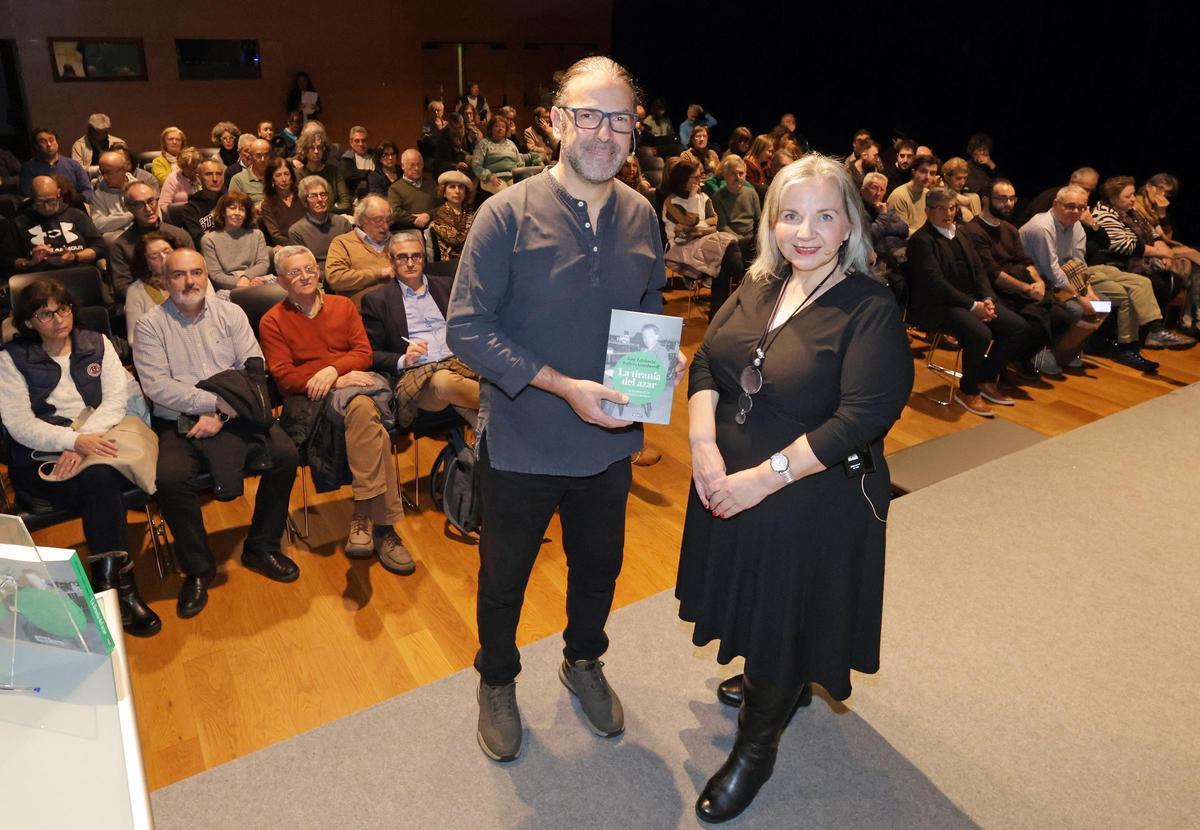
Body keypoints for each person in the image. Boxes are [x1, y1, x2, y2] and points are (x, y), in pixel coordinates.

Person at [447, 56, 680, 764]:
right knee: (505, 576)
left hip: (609, 442)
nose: (604, 132)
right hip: (522, 440)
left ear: (634, 133)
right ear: (555, 123)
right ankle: (496, 678)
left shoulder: (642, 215)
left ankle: (583, 661)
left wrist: (654, 365)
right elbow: (466, 327)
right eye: (588, 114)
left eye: (620, 119)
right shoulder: (504, 214)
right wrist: (560, 384)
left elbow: (647, 304)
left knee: (599, 568)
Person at [676, 154, 913, 823]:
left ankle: (757, 744)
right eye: (790, 215)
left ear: (848, 227)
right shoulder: (759, 282)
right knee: (761, 604)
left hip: (811, 495)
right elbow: (706, 361)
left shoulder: (869, 306)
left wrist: (761, 479)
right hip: (730, 478)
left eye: (824, 216)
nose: (804, 232)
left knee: (785, 605)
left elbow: (862, 419)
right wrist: (701, 443)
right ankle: (774, 674)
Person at [133, 248, 300, 618]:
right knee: (172, 479)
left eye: (196, 273)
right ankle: (198, 568)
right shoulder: (150, 325)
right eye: (179, 275)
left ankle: (261, 546)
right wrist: (211, 404)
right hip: (180, 420)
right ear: (165, 281)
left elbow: (254, 369)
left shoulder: (231, 313)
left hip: (236, 412)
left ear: (207, 275)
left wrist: (224, 412)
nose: (189, 281)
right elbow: (158, 387)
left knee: (285, 455)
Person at [0, 279, 161, 637]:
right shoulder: (11, 359)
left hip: (99, 444)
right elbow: (18, 424)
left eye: (63, 308)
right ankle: (121, 589)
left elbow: (116, 402)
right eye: (45, 313)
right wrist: (71, 441)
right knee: (101, 481)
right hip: (43, 460)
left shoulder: (97, 342)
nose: (58, 319)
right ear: (28, 321)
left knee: (99, 477)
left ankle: (106, 589)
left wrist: (81, 444)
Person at [258, 245, 413, 573]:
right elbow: (284, 377)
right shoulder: (272, 321)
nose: (305, 276)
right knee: (369, 419)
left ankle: (363, 517)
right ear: (281, 281)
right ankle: (382, 528)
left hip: (352, 385)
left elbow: (364, 352)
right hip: (311, 400)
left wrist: (330, 371)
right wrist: (333, 377)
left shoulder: (343, 305)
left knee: (361, 408)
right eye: (295, 272)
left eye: (310, 269)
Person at [908, 187, 1034, 417]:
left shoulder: (962, 233)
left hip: (971, 301)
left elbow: (978, 270)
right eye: (941, 209)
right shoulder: (921, 241)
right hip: (938, 306)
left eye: (952, 208)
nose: (948, 213)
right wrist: (973, 307)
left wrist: (987, 299)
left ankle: (985, 378)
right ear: (927, 211)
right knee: (980, 333)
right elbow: (936, 284)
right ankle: (968, 390)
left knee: (1018, 327)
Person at [1017, 185, 1154, 371]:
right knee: (1074, 309)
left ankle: (1066, 351)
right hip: (1037, 282)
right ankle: (1040, 351)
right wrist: (1079, 298)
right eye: (1070, 206)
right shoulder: (1042, 227)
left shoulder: (1076, 226)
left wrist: (1088, 291)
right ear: (1056, 204)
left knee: (1103, 304)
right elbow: (1051, 271)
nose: (1076, 212)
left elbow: (1079, 263)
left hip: (1062, 282)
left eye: (1081, 208)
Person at [362, 231, 480, 429]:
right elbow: (372, 354)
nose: (410, 263)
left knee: (478, 411)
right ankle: (512, 403)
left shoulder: (446, 285)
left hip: (461, 362)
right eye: (402, 257)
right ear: (391, 260)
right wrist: (403, 359)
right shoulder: (377, 301)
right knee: (443, 382)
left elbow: (470, 323)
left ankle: (482, 444)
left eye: (416, 256)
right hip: (420, 376)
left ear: (423, 258)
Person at [960, 180, 1077, 376]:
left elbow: (1024, 261)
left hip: (1018, 287)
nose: (1009, 204)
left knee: (1061, 316)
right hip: (991, 291)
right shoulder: (974, 231)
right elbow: (993, 273)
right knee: (1026, 324)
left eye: (1012, 199)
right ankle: (991, 371)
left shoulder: (1009, 229)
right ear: (986, 200)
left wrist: (1038, 283)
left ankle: (1016, 359)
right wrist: (1027, 289)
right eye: (1002, 199)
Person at [663, 158, 743, 319]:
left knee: (723, 260)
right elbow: (689, 221)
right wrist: (693, 201)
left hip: (702, 241)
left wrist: (698, 229)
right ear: (684, 179)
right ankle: (721, 308)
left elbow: (714, 222)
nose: (700, 181)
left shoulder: (704, 197)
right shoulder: (671, 202)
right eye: (696, 177)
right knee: (726, 257)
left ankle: (716, 314)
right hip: (681, 248)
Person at [108, 181, 195, 301]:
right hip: (145, 303)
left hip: (186, 296)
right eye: (139, 204)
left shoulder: (180, 235)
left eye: (151, 201)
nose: (148, 209)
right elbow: (122, 288)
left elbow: (195, 270)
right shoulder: (120, 246)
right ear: (128, 208)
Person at [125, 231, 214, 344]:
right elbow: (134, 339)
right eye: (155, 256)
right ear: (147, 264)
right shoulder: (135, 291)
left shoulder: (198, 278)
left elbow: (213, 316)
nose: (163, 258)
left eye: (167, 252)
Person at [3, 176, 103, 275]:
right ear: (32, 198)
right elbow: (7, 260)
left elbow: (100, 247)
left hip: (78, 273)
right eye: (40, 202)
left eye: (51, 201)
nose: (46, 207)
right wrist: (29, 262)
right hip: (39, 277)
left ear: (58, 194)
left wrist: (75, 257)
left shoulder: (77, 216)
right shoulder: (19, 223)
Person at [325, 194, 392, 302]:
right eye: (378, 220)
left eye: (388, 220)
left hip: (400, 309)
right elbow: (336, 278)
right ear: (361, 220)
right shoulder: (342, 243)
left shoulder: (397, 242)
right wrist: (379, 273)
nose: (385, 226)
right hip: (362, 314)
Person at [200, 190, 271, 290]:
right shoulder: (208, 239)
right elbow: (215, 274)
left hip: (256, 281)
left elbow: (263, 264)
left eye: (242, 210)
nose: (237, 213)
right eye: (232, 208)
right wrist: (240, 282)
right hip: (229, 288)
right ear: (223, 212)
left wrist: (247, 277)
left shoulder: (257, 234)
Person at [287, 176, 352, 282]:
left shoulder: (342, 223)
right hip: (319, 279)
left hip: (347, 273)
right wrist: (330, 276)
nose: (320, 200)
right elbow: (304, 266)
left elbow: (352, 254)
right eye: (313, 196)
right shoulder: (296, 231)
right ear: (305, 201)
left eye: (323, 194)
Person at [471, 116, 543, 194]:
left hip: (512, 177)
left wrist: (522, 177)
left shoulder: (511, 144)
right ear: (491, 129)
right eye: (497, 126)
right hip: (493, 178)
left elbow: (519, 163)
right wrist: (490, 177)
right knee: (506, 193)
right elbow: (476, 165)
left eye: (503, 127)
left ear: (506, 130)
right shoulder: (483, 144)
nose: (500, 129)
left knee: (524, 192)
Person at [20, 128, 93, 204]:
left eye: (51, 140)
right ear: (36, 146)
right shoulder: (28, 168)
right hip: (44, 208)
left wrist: (79, 199)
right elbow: (28, 196)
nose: (49, 144)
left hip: (72, 206)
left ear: (57, 141)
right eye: (43, 142)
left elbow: (87, 190)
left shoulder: (73, 164)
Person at [294, 129, 351, 213]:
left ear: (324, 150)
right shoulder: (298, 173)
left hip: (332, 217)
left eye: (319, 147)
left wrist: (327, 214)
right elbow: (300, 204)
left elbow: (345, 202)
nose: (316, 151)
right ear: (305, 151)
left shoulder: (333, 171)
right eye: (312, 148)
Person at [177, 158, 226, 247]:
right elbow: (199, 242)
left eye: (219, 174)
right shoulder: (190, 209)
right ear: (198, 178)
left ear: (223, 178)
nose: (215, 179)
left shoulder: (232, 202)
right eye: (208, 174)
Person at [886, 153, 939, 236]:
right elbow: (901, 231)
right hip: (903, 244)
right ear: (914, 171)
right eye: (923, 171)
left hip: (923, 240)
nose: (927, 177)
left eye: (932, 173)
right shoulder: (899, 195)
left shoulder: (928, 194)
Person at [258, 158, 305, 249]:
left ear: (292, 177)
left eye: (287, 174)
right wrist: (296, 245)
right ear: (272, 180)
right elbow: (275, 236)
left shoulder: (302, 195)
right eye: (278, 175)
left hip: (309, 240)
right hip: (287, 247)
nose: (283, 179)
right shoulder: (267, 204)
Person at [387, 149, 438, 231]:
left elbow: (442, 206)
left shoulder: (431, 184)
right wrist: (414, 220)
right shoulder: (395, 188)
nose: (417, 168)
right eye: (412, 165)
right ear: (403, 166)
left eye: (419, 164)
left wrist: (428, 215)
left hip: (433, 228)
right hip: (408, 231)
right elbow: (395, 212)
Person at [430, 171, 475, 261]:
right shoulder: (440, 213)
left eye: (461, 187)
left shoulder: (471, 211)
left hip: (472, 257)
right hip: (450, 262)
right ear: (444, 192)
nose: (457, 191)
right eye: (452, 187)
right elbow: (456, 241)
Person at [90, 151, 137, 234]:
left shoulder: (140, 187)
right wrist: (130, 216)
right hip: (116, 238)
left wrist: (113, 220)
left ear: (123, 170)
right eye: (102, 172)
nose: (105, 177)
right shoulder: (98, 195)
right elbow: (97, 225)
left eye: (109, 172)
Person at [158, 147, 203, 219]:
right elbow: (163, 206)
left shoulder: (203, 175)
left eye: (195, 167)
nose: (194, 171)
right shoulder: (173, 179)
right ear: (181, 167)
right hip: (182, 218)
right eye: (189, 168)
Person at [229, 139, 273, 205]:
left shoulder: (277, 176)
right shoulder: (238, 179)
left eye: (266, 155)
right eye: (258, 155)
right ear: (251, 156)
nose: (262, 159)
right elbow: (234, 207)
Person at [941, 157, 983, 222]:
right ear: (946, 177)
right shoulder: (939, 194)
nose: (963, 183)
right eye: (958, 178)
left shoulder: (968, 192)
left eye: (965, 178)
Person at [340, 126, 375, 201]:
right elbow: (348, 175)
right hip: (355, 200)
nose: (361, 144)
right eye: (357, 141)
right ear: (351, 143)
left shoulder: (375, 156)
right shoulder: (347, 159)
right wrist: (369, 173)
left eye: (363, 140)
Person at [432, 113, 473, 177]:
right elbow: (438, 162)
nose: (459, 131)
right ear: (449, 127)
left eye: (461, 127)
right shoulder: (442, 137)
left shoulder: (470, 133)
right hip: (450, 171)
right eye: (455, 128)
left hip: (469, 168)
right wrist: (455, 166)